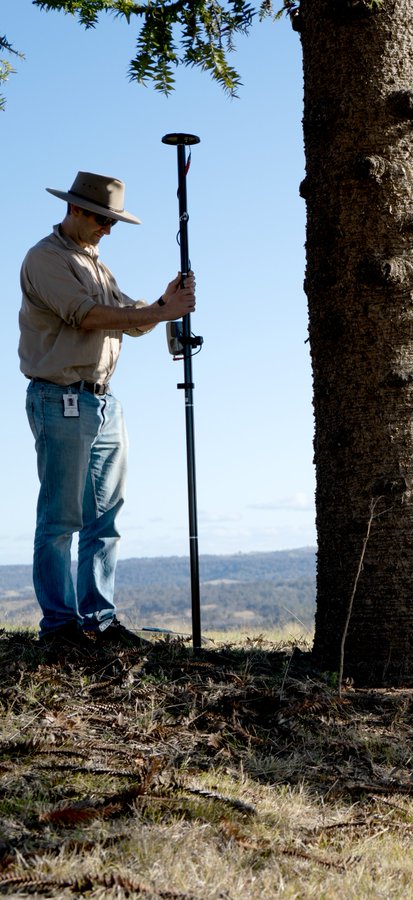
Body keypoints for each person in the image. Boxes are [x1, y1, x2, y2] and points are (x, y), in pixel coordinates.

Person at [19, 171, 197, 650]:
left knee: (106, 516)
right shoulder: (46, 259)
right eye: (103, 219)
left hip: (102, 399)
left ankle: (99, 621)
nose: (108, 229)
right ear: (76, 209)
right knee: (60, 518)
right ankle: (59, 629)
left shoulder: (96, 263)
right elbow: (90, 315)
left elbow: (128, 318)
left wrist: (164, 303)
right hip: (60, 398)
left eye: (114, 222)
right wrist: (161, 311)